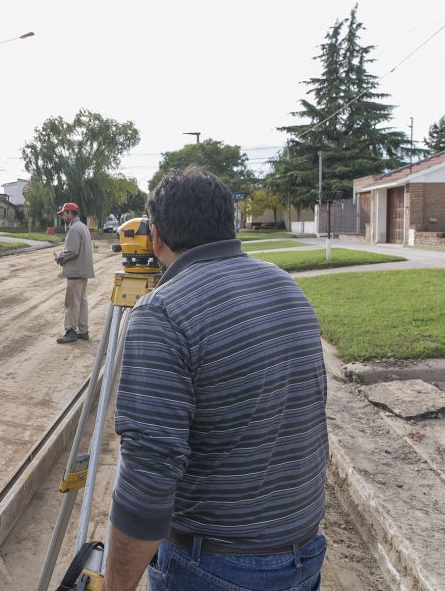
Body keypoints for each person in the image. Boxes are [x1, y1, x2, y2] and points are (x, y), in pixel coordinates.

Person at [104, 165, 329, 591]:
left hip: (214, 568)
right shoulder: (287, 288)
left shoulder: (163, 312)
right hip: (303, 553)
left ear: (155, 238)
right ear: (230, 224)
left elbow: (148, 476)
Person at [54, 201, 94, 344]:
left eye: (63, 214)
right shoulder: (83, 227)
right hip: (83, 271)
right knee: (82, 302)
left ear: (70, 213)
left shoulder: (74, 228)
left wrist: (61, 257)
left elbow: (72, 250)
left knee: (71, 303)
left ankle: (70, 331)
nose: (62, 217)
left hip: (75, 272)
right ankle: (83, 331)